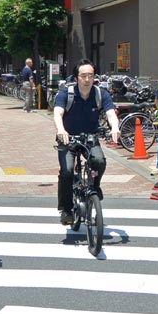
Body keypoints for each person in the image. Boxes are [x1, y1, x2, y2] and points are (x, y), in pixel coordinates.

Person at [53, 59, 120, 226]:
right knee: (67, 171)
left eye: (91, 75)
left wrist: (115, 127)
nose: (87, 79)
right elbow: (58, 113)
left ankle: (95, 187)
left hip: (90, 137)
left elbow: (110, 113)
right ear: (76, 78)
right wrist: (61, 130)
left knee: (99, 161)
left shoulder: (100, 94)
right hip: (68, 138)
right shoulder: (66, 94)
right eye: (83, 76)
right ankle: (66, 209)